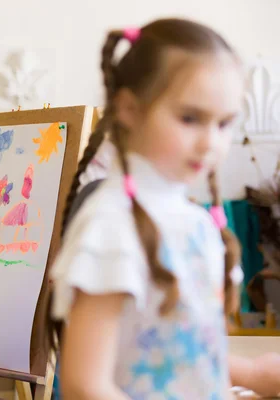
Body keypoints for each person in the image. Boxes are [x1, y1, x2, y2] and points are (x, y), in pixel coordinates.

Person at [47, 18, 280, 399]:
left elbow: (177, 352)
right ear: (128, 109)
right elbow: (84, 385)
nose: (210, 143)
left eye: (224, 124)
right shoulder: (111, 226)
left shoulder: (194, 220)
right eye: (190, 118)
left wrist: (252, 373)